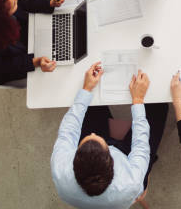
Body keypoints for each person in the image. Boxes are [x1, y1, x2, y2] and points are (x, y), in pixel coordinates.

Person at [51, 63, 168, 209]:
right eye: (98, 139)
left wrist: (86, 89)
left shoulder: (60, 167)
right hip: (128, 169)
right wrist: (137, 100)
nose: (93, 134)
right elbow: (141, 145)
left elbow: (67, 131)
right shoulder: (131, 181)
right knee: (159, 106)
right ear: (111, 157)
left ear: (74, 160)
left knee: (91, 104)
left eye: (86, 140)